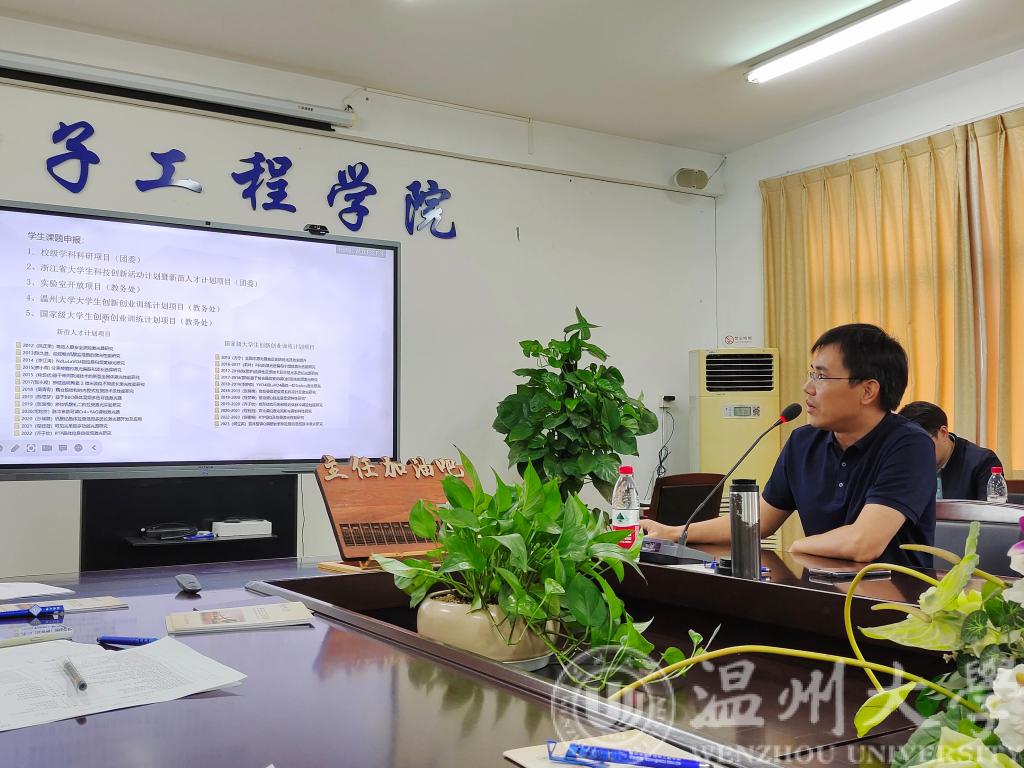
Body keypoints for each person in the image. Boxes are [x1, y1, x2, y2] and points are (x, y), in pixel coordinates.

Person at [641, 323, 936, 568]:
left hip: (894, 604)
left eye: (821, 376)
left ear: (868, 391)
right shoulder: (803, 442)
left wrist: (799, 546)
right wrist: (673, 532)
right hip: (821, 594)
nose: (808, 388)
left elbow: (864, 543)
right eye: (811, 374)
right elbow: (757, 522)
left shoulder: (910, 445)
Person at [898, 401, 1001, 501]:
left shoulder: (982, 462)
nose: (915, 455)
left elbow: (991, 510)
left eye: (920, 446)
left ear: (943, 433)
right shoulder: (903, 464)